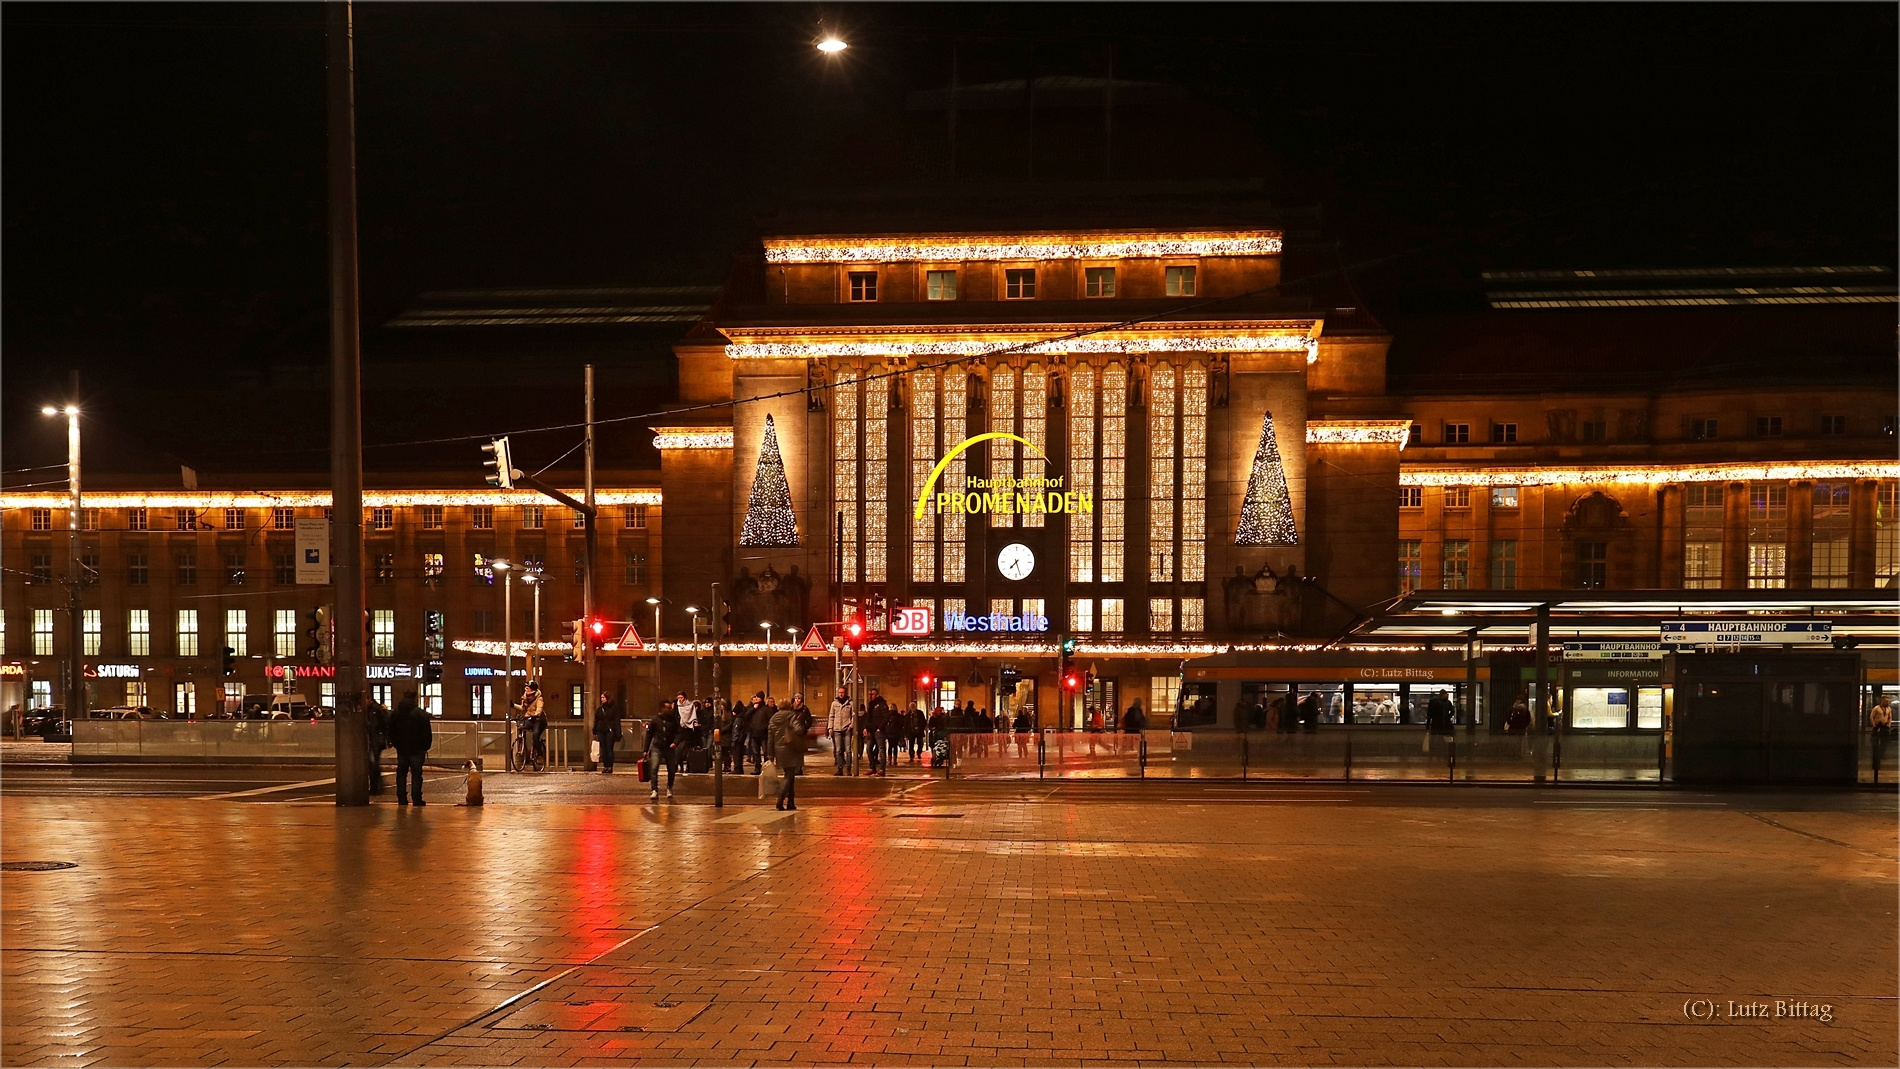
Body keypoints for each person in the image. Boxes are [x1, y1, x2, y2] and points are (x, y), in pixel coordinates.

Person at [769, 696, 813, 811]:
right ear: (789, 706)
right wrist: (802, 729)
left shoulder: (773, 718)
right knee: (789, 776)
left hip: (779, 750)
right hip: (791, 748)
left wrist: (770, 755)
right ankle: (780, 799)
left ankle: (791, 802)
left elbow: (770, 738)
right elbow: (798, 729)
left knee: (790, 776)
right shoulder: (792, 716)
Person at [388, 689, 431, 806]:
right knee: (416, 774)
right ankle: (416, 798)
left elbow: (390, 729)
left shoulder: (396, 713)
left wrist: (395, 743)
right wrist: (425, 747)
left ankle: (401, 798)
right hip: (417, 749)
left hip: (401, 749)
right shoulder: (420, 714)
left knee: (401, 773)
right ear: (415, 697)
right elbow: (427, 732)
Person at [645, 700, 682, 801]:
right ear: (662, 709)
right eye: (668, 708)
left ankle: (669, 787)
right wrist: (646, 749)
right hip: (657, 747)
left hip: (669, 748)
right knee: (654, 768)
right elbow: (649, 735)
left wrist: (675, 742)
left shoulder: (673, 720)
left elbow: (679, 733)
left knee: (671, 769)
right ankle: (654, 790)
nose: (670, 710)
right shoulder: (655, 720)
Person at [593, 696, 623, 773]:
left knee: (609, 749)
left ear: (608, 698)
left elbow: (617, 721)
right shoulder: (600, 708)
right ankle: (605, 766)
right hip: (601, 730)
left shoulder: (613, 708)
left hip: (609, 731)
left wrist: (618, 732)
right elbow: (596, 720)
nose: (602, 699)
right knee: (604, 749)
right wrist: (595, 731)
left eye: (603, 697)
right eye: (601, 697)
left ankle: (610, 766)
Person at [366, 699, 390, 795]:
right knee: (373, 763)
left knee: (373, 763)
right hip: (375, 739)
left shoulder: (375, 710)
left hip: (375, 740)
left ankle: (375, 786)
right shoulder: (375, 710)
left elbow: (384, 724)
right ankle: (376, 786)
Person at [827, 688, 853, 774]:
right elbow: (831, 716)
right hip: (837, 729)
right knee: (838, 750)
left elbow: (854, 716)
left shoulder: (850, 703)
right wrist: (830, 727)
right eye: (839, 692)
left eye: (842, 692)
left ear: (845, 693)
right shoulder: (834, 703)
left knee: (848, 750)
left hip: (847, 729)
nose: (841, 694)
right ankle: (840, 768)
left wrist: (851, 725)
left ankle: (849, 768)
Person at [747, 693, 773, 774]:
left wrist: (764, 728)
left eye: (757, 697)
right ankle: (757, 768)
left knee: (765, 753)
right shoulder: (753, 709)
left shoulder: (766, 709)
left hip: (763, 734)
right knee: (755, 753)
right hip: (754, 734)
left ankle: (767, 769)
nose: (756, 698)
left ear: (761, 698)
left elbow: (770, 721)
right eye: (755, 697)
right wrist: (753, 709)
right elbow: (746, 716)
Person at [1870, 694, 1893, 774]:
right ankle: (1876, 762)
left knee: (1885, 741)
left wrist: (1889, 725)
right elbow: (1872, 716)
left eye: (1888, 702)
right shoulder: (1876, 708)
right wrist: (1874, 725)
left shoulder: (1888, 709)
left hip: (1885, 726)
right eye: (1886, 701)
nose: (1888, 703)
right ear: (1882, 701)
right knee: (1876, 743)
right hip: (1878, 726)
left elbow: (1890, 717)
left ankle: (1882, 754)